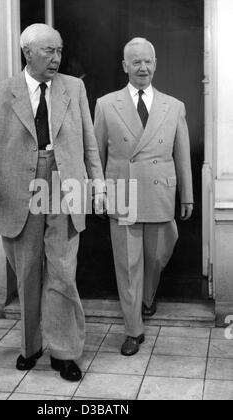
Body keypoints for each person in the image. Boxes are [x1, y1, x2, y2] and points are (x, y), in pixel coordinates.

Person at [0, 24, 105, 382]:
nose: (56, 58)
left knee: (62, 272)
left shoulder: (74, 88)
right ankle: (31, 346)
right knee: (27, 273)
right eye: (48, 51)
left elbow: (89, 143)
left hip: (65, 186)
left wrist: (99, 185)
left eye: (59, 51)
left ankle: (65, 352)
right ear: (27, 52)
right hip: (17, 191)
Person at [94, 37, 193, 356]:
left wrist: (187, 196)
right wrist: (97, 194)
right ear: (124, 66)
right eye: (135, 61)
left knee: (157, 255)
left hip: (160, 190)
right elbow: (95, 154)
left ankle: (147, 298)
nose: (143, 67)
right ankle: (133, 329)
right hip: (122, 190)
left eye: (148, 61)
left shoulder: (174, 105)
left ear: (155, 63)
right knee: (127, 264)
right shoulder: (106, 104)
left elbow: (183, 155)